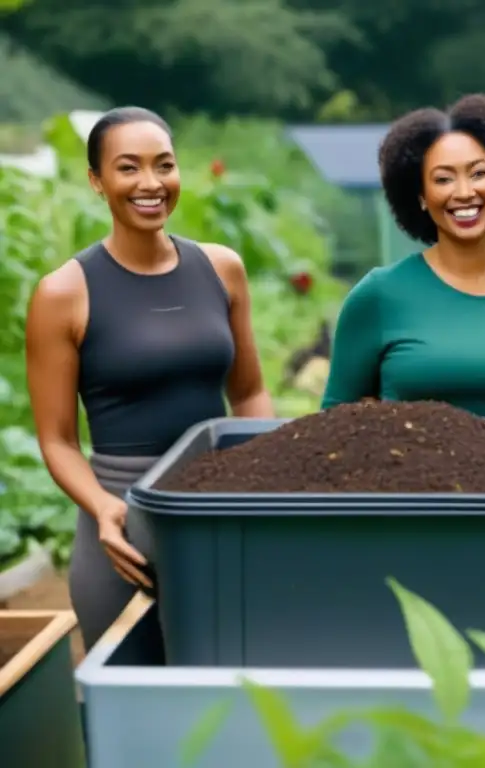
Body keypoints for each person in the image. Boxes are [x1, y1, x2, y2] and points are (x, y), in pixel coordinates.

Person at [25, 106, 274, 651]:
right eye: (128, 167)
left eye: (163, 165)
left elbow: (249, 391)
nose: (150, 183)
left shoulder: (220, 268)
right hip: (122, 529)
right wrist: (105, 509)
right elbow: (57, 439)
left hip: (214, 511)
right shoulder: (63, 293)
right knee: (128, 706)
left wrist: (262, 477)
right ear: (97, 181)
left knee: (232, 693)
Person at [320, 94, 485, 422]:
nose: (464, 192)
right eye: (443, 179)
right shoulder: (379, 294)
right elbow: (329, 427)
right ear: (420, 195)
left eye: (478, 173)